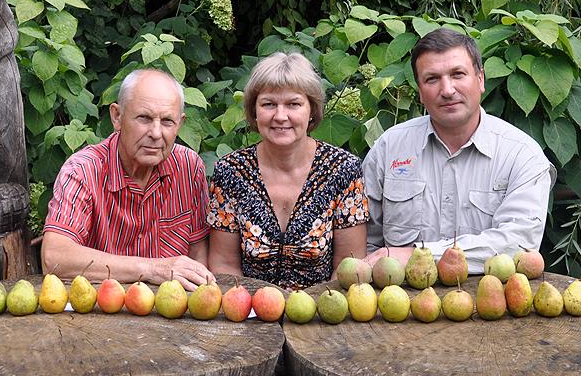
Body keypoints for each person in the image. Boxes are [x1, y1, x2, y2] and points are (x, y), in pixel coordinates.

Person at [363, 28, 555, 273]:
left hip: (493, 305)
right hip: (398, 303)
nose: (447, 90)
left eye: (458, 74)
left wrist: (417, 254)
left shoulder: (521, 155)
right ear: (420, 92)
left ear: (481, 79)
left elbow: (519, 245)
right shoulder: (389, 149)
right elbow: (365, 242)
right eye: (432, 79)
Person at [207, 52, 369, 289]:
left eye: (293, 104)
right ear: (254, 111)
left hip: (322, 313)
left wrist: (314, 312)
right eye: (269, 104)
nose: (280, 116)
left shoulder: (343, 170)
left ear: (312, 110)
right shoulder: (231, 172)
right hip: (247, 314)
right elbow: (223, 264)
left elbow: (347, 266)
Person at [41, 69, 213, 290]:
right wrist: (152, 269)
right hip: (97, 315)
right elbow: (54, 257)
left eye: (168, 121)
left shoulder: (189, 168)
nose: (156, 133)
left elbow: (199, 252)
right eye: (144, 118)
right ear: (117, 117)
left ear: (180, 124)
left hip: (173, 312)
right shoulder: (83, 170)